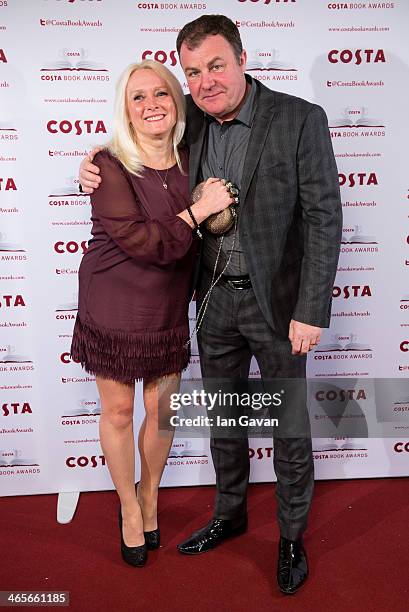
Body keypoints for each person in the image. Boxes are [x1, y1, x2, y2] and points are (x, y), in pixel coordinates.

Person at [79, 15, 342, 593]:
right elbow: (133, 143)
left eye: (216, 66)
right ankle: (230, 513)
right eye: (193, 72)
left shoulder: (299, 118)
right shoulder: (187, 122)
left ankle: (291, 536)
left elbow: (324, 218)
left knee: (288, 425)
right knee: (225, 418)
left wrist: (313, 309)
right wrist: (91, 162)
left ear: (242, 60)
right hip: (214, 302)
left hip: (279, 306)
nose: (205, 81)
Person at [71, 58, 235, 568]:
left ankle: (150, 496)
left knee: (161, 410)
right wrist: (198, 211)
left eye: (161, 93)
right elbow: (148, 244)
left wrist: (211, 206)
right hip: (114, 299)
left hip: (167, 302)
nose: (151, 105)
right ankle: (126, 507)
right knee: (119, 411)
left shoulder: (194, 153)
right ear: (125, 108)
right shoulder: (111, 166)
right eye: (138, 97)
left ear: (177, 101)